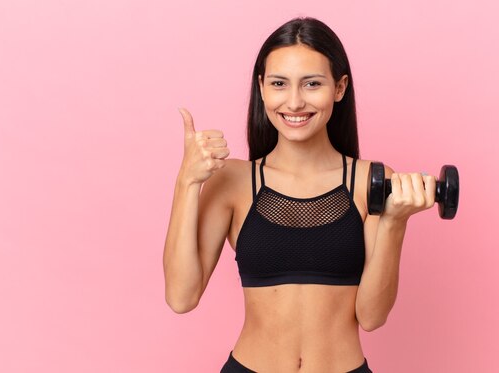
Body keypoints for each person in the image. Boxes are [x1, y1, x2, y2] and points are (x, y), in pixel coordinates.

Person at [163, 17, 436, 373]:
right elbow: (181, 297)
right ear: (261, 88)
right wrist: (187, 181)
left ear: (339, 88)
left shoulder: (370, 180)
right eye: (279, 84)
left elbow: (371, 316)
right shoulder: (233, 180)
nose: (294, 102)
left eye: (311, 84)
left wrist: (396, 222)